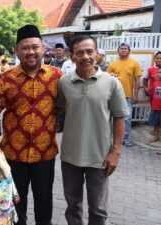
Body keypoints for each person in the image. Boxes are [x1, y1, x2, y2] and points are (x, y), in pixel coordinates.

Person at [0, 24, 62, 225]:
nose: (31, 52)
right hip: (13, 154)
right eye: (25, 47)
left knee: (44, 202)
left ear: (43, 48)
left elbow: (71, 104)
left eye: (35, 47)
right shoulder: (6, 78)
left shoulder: (57, 77)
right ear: (17, 50)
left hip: (44, 153)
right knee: (15, 203)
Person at [57, 35, 128, 225]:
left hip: (100, 158)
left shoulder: (112, 83)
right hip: (70, 157)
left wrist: (116, 152)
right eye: (80, 52)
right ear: (72, 56)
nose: (86, 56)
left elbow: (119, 117)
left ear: (97, 54)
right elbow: (60, 111)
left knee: (98, 209)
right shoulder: (64, 83)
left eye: (90, 51)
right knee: (73, 206)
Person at [107, 43, 142, 146]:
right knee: (112, 116)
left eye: (125, 49)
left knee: (127, 118)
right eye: (121, 49)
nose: (123, 50)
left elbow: (137, 80)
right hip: (114, 95)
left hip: (128, 95)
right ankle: (112, 138)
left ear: (129, 51)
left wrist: (135, 94)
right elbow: (107, 77)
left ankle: (126, 139)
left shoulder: (134, 63)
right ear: (118, 51)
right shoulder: (113, 64)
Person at [144, 51, 161, 143]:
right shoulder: (151, 69)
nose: (159, 60)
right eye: (157, 58)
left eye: (160, 58)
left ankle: (157, 133)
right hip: (155, 98)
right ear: (154, 59)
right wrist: (146, 89)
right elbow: (145, 79)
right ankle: (156, 134)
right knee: (156, 116)